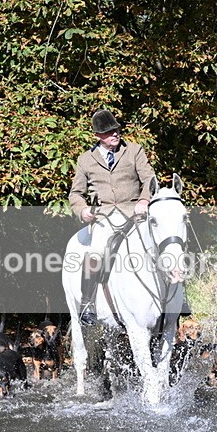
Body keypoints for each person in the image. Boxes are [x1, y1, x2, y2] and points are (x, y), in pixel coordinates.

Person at [68, 109, 156, 325]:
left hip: (136, 212)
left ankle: (178, 303)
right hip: (105, 216)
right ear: (97, 136)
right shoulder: (85, 160)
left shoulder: (134, 151)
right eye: (108, 133)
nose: (115, 135)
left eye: (116, 130)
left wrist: (144, 201)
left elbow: (149, 179)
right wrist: (83, 210)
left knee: (163, 244)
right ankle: (87, 303)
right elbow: (75, 194)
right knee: (95, 253)